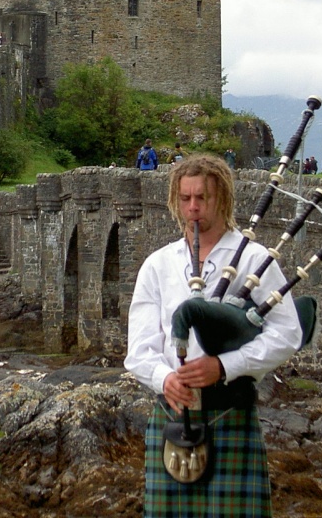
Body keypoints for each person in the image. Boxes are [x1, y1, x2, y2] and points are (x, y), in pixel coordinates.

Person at [125, 154, 301, 516]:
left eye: (202, 198)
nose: (193, 208)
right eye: (185, 198)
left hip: (230, 411)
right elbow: (138, 350)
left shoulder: (254, 260)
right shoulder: (159, 264)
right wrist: (165, 378)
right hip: (172, 417)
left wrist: (223, 365)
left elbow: (288, 333)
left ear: (223, 199)